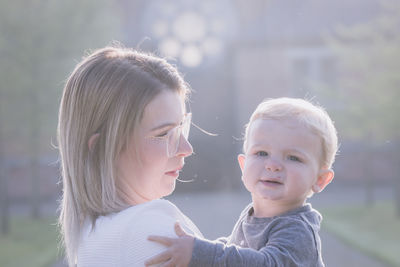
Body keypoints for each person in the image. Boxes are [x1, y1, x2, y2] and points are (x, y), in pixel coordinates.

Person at [146, 97, 338, 267]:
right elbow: (233, 248)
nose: (273, 165)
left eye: (293, 158)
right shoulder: (252, 214)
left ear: (319, 179)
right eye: (261, 153)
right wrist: (196, 246)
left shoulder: (298, 230)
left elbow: (266, 263)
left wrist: (200, 252)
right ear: (243, 165)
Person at [57, 45, 203, 267]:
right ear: (101, 149)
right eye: (163, 134)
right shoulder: (152, 233)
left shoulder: (93, 235)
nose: (186, 147)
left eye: (182, 127)